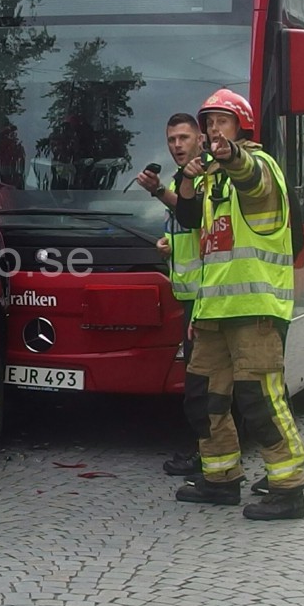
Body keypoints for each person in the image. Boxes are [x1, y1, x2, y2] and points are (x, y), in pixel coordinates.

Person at [172, 89, 304, 520]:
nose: (213, 130)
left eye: (222, 122)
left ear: (242, 128)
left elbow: (250, 176)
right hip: (213, 312)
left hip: (256, 309)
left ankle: (288, 488)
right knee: (203, 399)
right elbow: (197, 234)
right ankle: (221, 479)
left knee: (258, 399)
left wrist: (230, 155)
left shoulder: (257, 165)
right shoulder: (209, 180)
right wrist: (187, 181)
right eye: (209, 123)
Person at [133, 113, 206, 478]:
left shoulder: (202, 177)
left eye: (183, 138)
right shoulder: (184, 178)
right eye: (171, 140)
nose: (176, 146)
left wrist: (158, 191)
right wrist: (170, 247)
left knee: (202, 382)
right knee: (200, 380)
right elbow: (188, 232)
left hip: (207, 296)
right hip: (191, 294)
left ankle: (206, 455)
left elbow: (196, 219)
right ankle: (207, 453)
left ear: (200, 139)